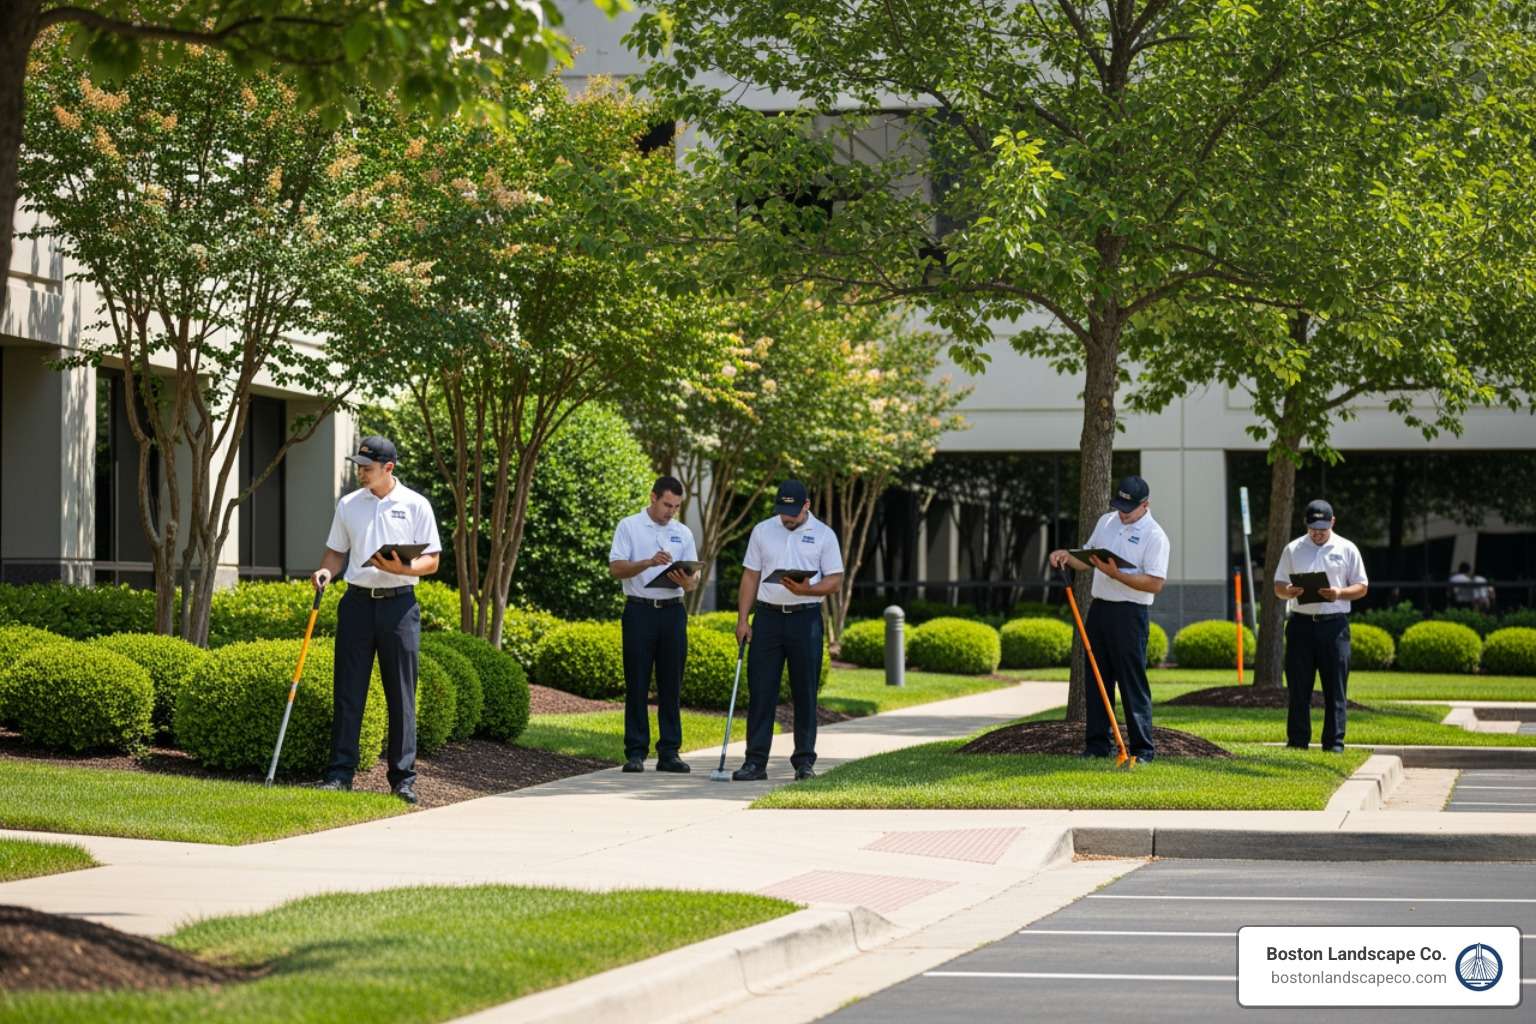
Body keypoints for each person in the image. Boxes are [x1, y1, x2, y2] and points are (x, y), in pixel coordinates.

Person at [311, 436, 441, 804]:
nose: (360, 473)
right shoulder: (349, 504)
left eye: (366, 468)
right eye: (358, 466)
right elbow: (336, 551)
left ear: (389, 469)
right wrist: (325, 571)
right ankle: (339, 775)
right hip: (356, 605)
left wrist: (406, 566)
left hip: (399, 608)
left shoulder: (417, 504)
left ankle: (403, 780)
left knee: (401, 695)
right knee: (348, 691)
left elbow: (432, 559)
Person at [1048, 475, 1170, 764]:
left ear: (1145, 506)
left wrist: (1117, 575)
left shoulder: (1155, 535)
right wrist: (1067, 556)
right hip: (1099, 609)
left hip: (1130, 615)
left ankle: (1143, 750)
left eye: (1128, 508)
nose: (1122, 513)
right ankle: (1097, 746)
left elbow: (1154, 583)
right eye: (1119, 506)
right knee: (1096, 679)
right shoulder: (1106, 521)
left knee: (1131, 683)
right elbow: (1088, 559)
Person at [733, 480, 844, 781]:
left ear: (806, 505)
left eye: (793, 512)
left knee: (805, 692)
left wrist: (808, 591)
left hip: (805, 620)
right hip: (767, 619)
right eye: (783, 512)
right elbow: (750, 576)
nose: (787, 518)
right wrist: (743, 620)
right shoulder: (763, 530)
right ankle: (755, 763)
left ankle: (804, 762)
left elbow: (834, 580)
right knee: (761, 691)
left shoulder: (824, 535)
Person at [608, 476, 701, 773]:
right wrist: (648, 563)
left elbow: (694, 581)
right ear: (652, 497)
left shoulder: (683, 532)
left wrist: (688, 582)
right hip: (640, 612)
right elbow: (616, 568)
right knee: (637, 682)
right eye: (666, 505)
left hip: (673, 612)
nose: (671, 511)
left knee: (671, 683)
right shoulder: (629, 526)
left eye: (676, 506)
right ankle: (636, 752)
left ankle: (669, 752)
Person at [1273, 499, 1369, 753]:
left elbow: (1361, 586)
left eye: (1324, 528)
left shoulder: (1347, 548)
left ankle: (1334, 743)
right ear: (1306, 523)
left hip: (1333, 626)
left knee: (1335, 688)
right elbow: (1278, 585)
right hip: (1300, 624)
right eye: (1314, 527)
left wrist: (1339, 593)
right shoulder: (1293, 549)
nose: (1318, 532)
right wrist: (1289, 591)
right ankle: (1297, 741)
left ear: (1333, 523)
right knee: (1298, 687)